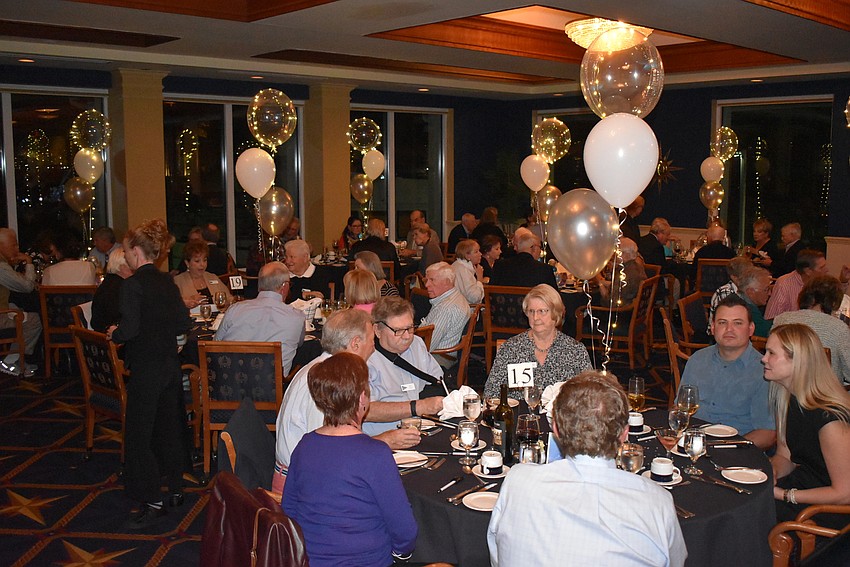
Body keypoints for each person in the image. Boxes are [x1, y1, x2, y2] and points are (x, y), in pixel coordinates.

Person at [487, 370, 686, 566]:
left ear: (556, 429)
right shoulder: (657, 503)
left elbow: (497, 555)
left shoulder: (518, 482)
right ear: (624, 434)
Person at [282, 352, 418, 566]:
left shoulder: (305, 445)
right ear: (362, 398)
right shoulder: (375, 454)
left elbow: (289, 509)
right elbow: (404, 528)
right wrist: (401, 553)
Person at [273, 308, 421, 489]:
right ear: (356, 343)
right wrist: (384, 441)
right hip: (302, 485)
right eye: (372, 340)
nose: (374, 347)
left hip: (311, 474)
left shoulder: (323, 369)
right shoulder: (327, 381)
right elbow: (326, 452)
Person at [106, 219, 191, 529]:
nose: (126, 256)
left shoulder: (133, 285)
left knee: (140, 436)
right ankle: (176, 489)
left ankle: (152, 500)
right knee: (169, 429)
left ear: (136, 251)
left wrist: (114, 333)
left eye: (127, 251)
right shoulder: (167, 282)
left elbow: (130, 329)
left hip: (147, 369)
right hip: (170, 367)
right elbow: (183, 322)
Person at [765, 324, 850, 526]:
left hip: (831, 507)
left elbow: (844, 493)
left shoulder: (830, 420)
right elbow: (785, 456)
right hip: (805, 485)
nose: (763, 359)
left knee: (750, 516)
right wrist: (771, 472)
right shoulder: (788, 397)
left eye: (771, 353)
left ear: (798, 361)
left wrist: (785, 494)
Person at [681, 294, 776, 449]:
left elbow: (767, 434)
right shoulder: (697, 360)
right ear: (713, 328)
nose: (729, 329)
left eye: (737, 323)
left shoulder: (764, 371)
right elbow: (680, 409)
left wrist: (723, 448)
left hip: (737, 451)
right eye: (722, 322)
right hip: (692, 446)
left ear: (751, 329)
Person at [484, 284, 591, 401]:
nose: (535, 317)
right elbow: (490, 394)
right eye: (531, 311)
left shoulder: (575, 351)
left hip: (561, 413)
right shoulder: (511, 349)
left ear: (555, 313)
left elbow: (589, 396)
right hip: (518, 412)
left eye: (542, 311)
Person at [364, 297, 445, 436]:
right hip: (383, 435)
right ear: (377, 330)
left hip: (421, 429)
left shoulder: (417, 344)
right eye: (398, 330)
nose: (407, 336)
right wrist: (416, 407)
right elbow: (364, 410)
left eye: (410, 328)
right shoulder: (366, 358)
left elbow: (437, 381)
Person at [215, 261, 305, 376]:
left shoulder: (235, 310)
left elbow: (215, 344)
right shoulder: (296, 317)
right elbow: (300, 344)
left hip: (228, 382)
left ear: (260, 284)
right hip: (271, 385)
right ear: (284, 286)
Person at [774, 275, 850, 384]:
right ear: (834, 302)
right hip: (823, 390)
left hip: (784, 386)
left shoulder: (780, 320)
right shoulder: (838, 328)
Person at [0, 228, 41, 377]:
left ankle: (16, 359)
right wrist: (29, 262)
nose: (17, 249)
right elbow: (27, 287)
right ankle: (11, 361)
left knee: (19, 310)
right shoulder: (1, 267)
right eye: (13, 245)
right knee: (34, 320)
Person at [421, 262, 470, 368]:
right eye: (426, 280)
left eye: (432, 280)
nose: (426, 285)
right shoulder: (455, 297)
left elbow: (427, 346)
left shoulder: (446, 308)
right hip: (440, 354)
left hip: (438, 359)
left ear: (447, 282)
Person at [765, 249, 829, 320]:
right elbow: (771, 318)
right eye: (821, 268)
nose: (827, 270)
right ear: (808, 271)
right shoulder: (784, 284)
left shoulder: (821, 283)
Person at [172, 240, 233, 310]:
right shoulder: (177, 281)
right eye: (197, 261)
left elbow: (229, 298)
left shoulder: (212, 277)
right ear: (187, 263)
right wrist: (189, 300)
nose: (202, 264)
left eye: (205, 260)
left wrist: (231, 302)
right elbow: (173, 305)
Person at [489, 232, 557, 289]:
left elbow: (490, 291)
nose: (540, 251)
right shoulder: (544, 269)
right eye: (540, 247)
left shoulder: (500, 265)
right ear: (534, 248)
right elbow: (555, 296)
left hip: (504, 301)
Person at [90, 248, 133, 332]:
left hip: (102, 332)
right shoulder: (120, 287)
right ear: (121, 266)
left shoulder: (109, 282)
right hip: (110, 336)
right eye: (130, 265)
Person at [596, 237, 646, 306]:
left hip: (622, 310)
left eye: (617, 252)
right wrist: (603, 282)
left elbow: (610, 302)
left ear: (626, 254)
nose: (614, 255)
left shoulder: (624, 273)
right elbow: (622, 287)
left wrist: (600, 283)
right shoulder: (636, 267)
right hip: (634, 306)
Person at [708, 256, 752, 332]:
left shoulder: (744, 290)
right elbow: (729, 320)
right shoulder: (726, 293)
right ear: (734, 277)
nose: (749, 279)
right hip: (720, 333)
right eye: (747, 276)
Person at [737, 265, 773, 338]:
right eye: (766, 289)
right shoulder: (745, 309)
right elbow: (763, 331)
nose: (769, 293)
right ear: (750, 292)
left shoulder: (740, 301)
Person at [452, 239, 484, 304]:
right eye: (476, 252)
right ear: (467, 256)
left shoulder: (458, 265)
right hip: (466, 308)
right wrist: (480, 279)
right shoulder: (464, 270)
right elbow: (474, 298)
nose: (480, 254)